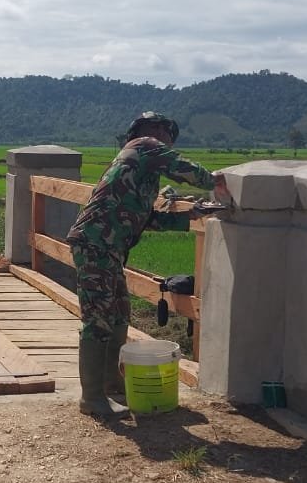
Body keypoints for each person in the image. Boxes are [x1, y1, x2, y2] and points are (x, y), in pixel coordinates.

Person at [65, 112, 229, 416]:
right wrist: (215, 181)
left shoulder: (142, 172)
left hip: (109, 249)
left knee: (118, 316)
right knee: (98, 320)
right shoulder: (143, 146)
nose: (167, 143)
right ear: (154, 130)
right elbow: (181, 167)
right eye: (167, 136)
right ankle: (92, 398)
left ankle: (111, 384)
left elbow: (145, 219)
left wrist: (190, 214)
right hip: (95, 244)